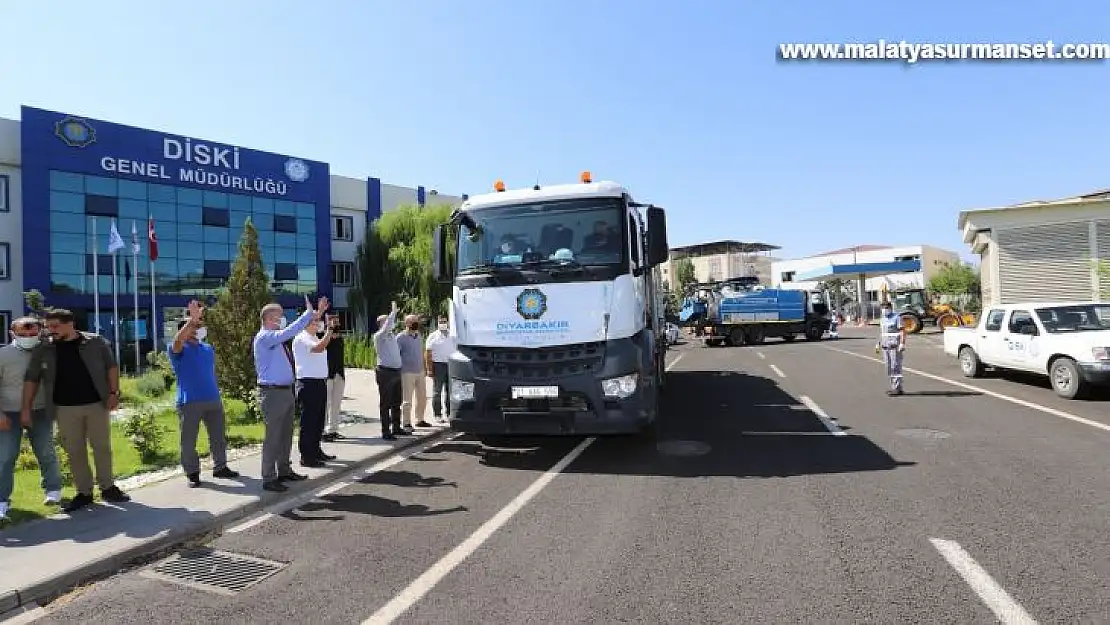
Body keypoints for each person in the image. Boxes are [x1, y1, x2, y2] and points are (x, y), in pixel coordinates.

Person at [22, 309, 129, 512]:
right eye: (47, 326)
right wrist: (26, 407)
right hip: (64, 408)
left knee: (102, 447)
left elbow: (111, 367)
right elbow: (31, 379)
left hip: (96, 404)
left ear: (70, 324)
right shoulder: (43, 348)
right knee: (74, 451)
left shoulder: (95, 342)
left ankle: (108, 488)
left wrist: (114, 392)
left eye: (54, 326)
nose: (49, 331)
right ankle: (84, 493)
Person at [254, 295, 328, 492]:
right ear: (268, 319)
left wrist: (315, 314)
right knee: (273, 437)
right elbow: (289, 332)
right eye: (278, 317)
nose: (281, 320)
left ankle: (284, 470)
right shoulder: (265, 337)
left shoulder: (276, 339)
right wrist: (307, 315)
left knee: (286, 435)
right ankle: (269, 477)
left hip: (285, 391)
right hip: (272, 393)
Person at [170, 300, 240, 488]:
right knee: (188, 440)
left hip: (213, 399)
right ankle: (192, 473)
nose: (198, 328)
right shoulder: (178, 349)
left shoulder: (207, 349)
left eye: (199, 325)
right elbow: (178, 340)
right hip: (190, 401)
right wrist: (191, 320)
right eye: (194, 325)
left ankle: (221, 467)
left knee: (218, 437)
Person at [0, 316, 62, 521]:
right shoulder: (3, 355)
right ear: (12, 334)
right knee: (6, 457)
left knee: (46, 451)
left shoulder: (48, 352)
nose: (28, 337)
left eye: (32, 333)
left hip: (40, 411)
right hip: (8, 413)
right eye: (22, 334)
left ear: (40, 332)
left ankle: (53, 491)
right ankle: (2, 501)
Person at [292, 315, 336, 468]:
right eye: (314, 322)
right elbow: (319, 348)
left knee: (318, 420)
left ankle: (316, 450)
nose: (317, 324)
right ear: (305, 324)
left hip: (319, 382)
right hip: (308, 382)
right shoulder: (302, 338)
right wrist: (329, 331)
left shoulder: (314, 337)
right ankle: (306, 456)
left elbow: (321, 345)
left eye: (318, 322)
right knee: (309, 422)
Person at [373, 301, 406, 440]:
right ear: (382, 324)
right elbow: (386, 328)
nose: (391, 323)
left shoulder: (392, 336)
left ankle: (396, 428)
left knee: (396, 402)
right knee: (385, 403)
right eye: (387, 321)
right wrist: (393, 313)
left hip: (396, 371)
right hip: (385, 373)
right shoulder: (379, 336)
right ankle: (386, 431)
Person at [397, 315, 429, 429]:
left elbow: (421, 352)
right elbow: (397, 355)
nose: (416, 323)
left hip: (420, 371)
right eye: (413, 321)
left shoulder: (418, 336)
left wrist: (424, 368)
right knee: (407, 399)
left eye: (417, 321)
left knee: (422, 398)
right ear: (407, 323)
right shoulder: (400, 337)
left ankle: (420, 419)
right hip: (407, 372)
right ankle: (406, 422)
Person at [424, 315, 456, 424]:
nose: (443, 323)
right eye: (441, 321)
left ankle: (449, 413)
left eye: (444, 321)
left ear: (447, 322)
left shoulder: (453, 335)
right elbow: (428, 353)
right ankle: (437, 414)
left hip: (451, 364)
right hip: (438, 365)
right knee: (437, 391)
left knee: (450, 391)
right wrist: (429, 369)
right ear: (438, 323)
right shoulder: (433, 336)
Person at [322, 314, 346, 441]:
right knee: (325, 404)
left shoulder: (340, 337)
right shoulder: (323, 336)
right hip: (327, 375)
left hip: (339, 374)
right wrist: (329, 332)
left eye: (337, 322)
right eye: (333, 322)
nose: (336, 324)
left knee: (336, 404)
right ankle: (323, 430)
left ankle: (333, 430)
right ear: (327, 323)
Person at [877, 301, 906, 396]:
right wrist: (878, 343)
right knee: (888, 368)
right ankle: (894, 386)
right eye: (883, 308)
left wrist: (902, 343)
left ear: (890, 308)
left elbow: (902, 331)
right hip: (885, 346)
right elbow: (882, 333)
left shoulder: (897, 317)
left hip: (894, 346)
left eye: (886, 308)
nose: (884, 310)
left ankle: (897, 388)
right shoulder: (882, 319)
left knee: (895, 367)